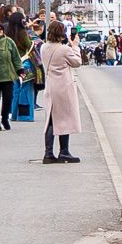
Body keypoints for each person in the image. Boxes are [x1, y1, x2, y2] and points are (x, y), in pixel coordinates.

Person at [38, 22, 83, 164]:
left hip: (50, 86)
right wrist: (75, 46)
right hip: (63, 86)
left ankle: (48, 153)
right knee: (65, 118)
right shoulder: (64, 49)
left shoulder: (44, 47)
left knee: (51, 119)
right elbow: (77, 62)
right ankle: (64, 151)